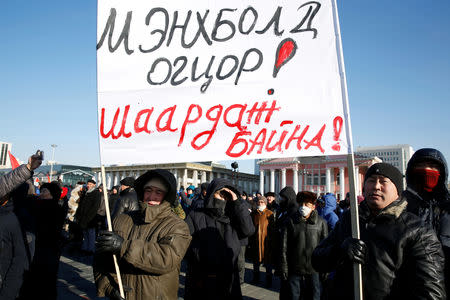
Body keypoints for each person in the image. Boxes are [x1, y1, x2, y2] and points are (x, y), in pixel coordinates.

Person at [312, 163, 446, 300]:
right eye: (371, 180)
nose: (376, 186)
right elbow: (317, 260)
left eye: (383, 181)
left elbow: (431, 292)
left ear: (398, 191)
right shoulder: (350, 219)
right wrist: (339, 251)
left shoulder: (417, 230)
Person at [94, 169, 191, 300]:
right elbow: (101, 259)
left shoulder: (177, 225)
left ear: (167, 195)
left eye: (158, 192)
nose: (152, 196)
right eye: (148, 190)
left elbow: (166, 258)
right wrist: (108, 287)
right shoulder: (122, 219)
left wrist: (124, 247)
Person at [184, 178, 255, 300]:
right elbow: (184, 245)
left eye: (226, 195)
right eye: (220, 193)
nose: (223, 198)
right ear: (212, 194)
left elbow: (248, 230)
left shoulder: (233, 216)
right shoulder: (196, 215)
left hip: (229, 279)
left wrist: (237, 202)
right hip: (202, 280)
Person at [402, 148, 450, 293]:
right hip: (407, 284)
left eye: (433, 166)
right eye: (421, 166)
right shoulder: (399, 206)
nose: (427, 170)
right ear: (411, 171)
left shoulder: (448, 207)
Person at [18, 182, 66, 300]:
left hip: (45, 247)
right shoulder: (45, 205)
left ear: (52, 194)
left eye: (44, 191)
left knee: (41, 275)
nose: (41, 193)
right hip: (47, 247)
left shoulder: (48, 207)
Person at [280, 191, 327, 300]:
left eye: (307, 205)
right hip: (294, 267)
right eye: (301, 204)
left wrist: (326, 268)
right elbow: (283, 247)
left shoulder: (321, 223)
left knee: (314, 296)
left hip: (314, 269)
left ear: (313, 206)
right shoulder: (290, 221)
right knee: (293, 296)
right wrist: (284, 266)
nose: (303, 207)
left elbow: (325, 247)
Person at [250, 195, 275, 287]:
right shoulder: (253, 214)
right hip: (255, 242)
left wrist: (271, 240)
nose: (260, 204)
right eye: (259, 202)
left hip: (266, 242)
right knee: (256, 262)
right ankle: (256, 278)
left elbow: (272, 229)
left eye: (262, 202)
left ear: (265, 203)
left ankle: (269, 280)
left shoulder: (270, 213)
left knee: (268, 263)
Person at [74, 179, 102, 254]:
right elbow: (81, 205)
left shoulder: (96, 193)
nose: (88, 185)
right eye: (88, 184)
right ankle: (85, 247)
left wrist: (89, 217)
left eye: (90, 184)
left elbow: (95, 207)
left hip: (90, 218)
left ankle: (91, 249)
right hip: (83, 216)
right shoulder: (86, 192)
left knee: (91, 233)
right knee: (85, 233)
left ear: (94, 185)